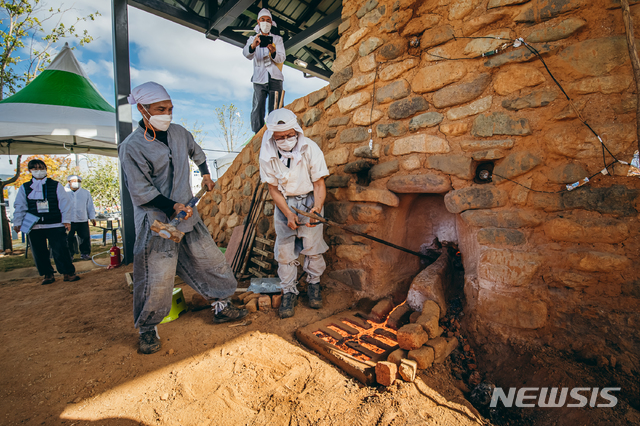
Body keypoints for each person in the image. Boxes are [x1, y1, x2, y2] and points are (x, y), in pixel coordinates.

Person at [120, 81, 247, 355]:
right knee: (158, 276)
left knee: (211, 261)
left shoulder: (179, 133)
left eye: (170, 108)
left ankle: (221, 306)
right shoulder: (132, 147)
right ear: (142, 109)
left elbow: (197, 151)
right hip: (159, 223)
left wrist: (205, 173)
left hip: (189, 217)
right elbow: (141, 191)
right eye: (160, 109)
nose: (168, 113)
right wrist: (173, 205)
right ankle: (148, 329)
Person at [258, 108, 330, 318]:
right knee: (285, 251)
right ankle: (289, 291)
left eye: (290, 135)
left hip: (310, 199)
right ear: (272, 136)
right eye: (280, 137)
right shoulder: (267, 154)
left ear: (297, 131)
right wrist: (288, 214)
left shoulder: (311, 149)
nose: (286, 140)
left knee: (313, 247)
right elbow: (273, 188)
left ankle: (314, 285)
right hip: (284, 203)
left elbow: (318, 183)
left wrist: (316, 209)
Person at [12, 159, 80, 285]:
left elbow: (65, 204)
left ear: (45, 169)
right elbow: (20, 206)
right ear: (30, 171)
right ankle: (47, 273)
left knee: (60, 249)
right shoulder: (25, 187)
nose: (39, 171)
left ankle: (67, 272)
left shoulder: (55, 185)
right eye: (35, 168)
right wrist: (18, 222)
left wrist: (66, 220)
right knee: (39, 251)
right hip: (34, 224)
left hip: (54, 223)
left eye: (41, 168)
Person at [243, 8, 286, 134]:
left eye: (268, 20)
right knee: (258, 107)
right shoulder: (252, 38)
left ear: (271, 23)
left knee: (276, 108)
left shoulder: (277, 39)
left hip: (275, 77)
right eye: (263, 20)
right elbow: (246, 54)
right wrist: (253, 46)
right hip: (259, 78)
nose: (265, 22)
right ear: (258, 21)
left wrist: (273, 51)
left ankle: (276, 132)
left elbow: (282, 57)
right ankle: (258, 134)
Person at [65, 175, 96, 261]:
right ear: (69, 182)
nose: (76, 182)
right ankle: (69, 255)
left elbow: (90, 206)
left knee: (84, 237)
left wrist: (92, 217)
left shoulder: (85, 193)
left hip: (82, 218)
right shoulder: (64, 192)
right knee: (68, 238)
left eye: (78, 181)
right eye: (74, 181)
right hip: (69, 219)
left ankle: (85, 253)